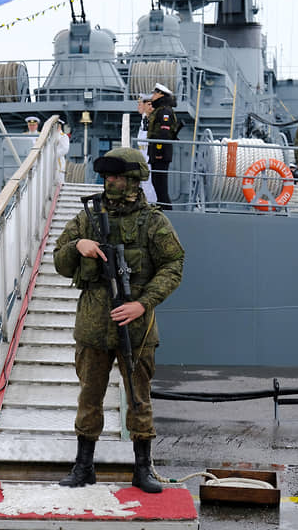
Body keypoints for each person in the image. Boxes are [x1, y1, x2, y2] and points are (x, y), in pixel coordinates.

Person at [53, 147, 185, 493]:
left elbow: (173, 266)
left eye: (116, 176)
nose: (109, 181)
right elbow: (60, 260)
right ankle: (84, 467)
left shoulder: (153, 222)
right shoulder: (88, 217)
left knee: (139, 397)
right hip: (94, 322)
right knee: (89, 396)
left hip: (137, 327)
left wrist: (143, 304)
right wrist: (77, 244)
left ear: (133, 180)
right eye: (107, 176)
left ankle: (142, 469)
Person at [147, 83, 178, 210]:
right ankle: (162, 207)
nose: (152, 96)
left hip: (161, 152)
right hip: (156, 152)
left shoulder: (165, 111)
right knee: (156, 182)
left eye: (155, 93)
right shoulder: (159, 110)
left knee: (161, 184)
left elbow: (164, 133)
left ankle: (166, 210)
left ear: (161, 95)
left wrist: (159, 151)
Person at [135, 94, 157, 204]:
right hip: (143, 159)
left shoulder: (153, 121)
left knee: (150, 185)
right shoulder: (144, 120)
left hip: (150, 160)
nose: (139, 106)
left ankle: (151, 205)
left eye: (141, 104)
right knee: (144, 184)